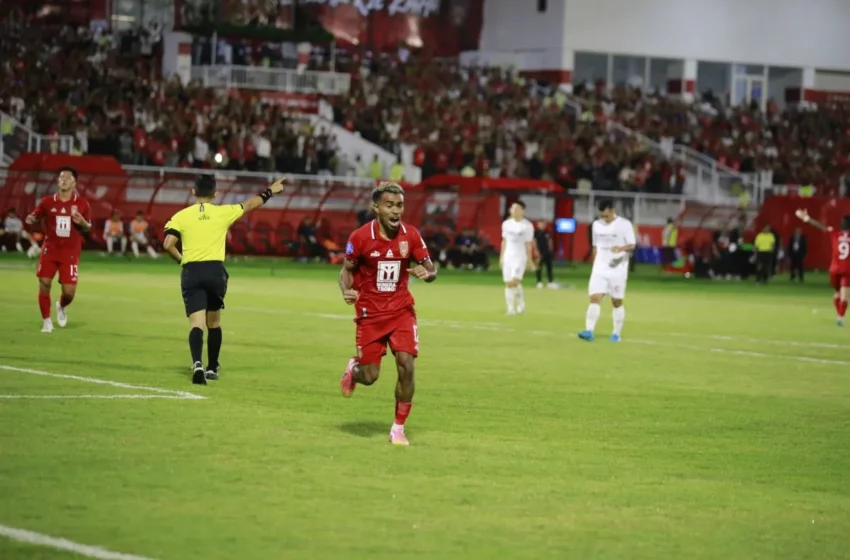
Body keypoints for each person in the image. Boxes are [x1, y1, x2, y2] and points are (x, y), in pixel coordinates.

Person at [338, 181, 437, 446]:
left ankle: (398, 428)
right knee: (370, 376)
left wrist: (427, 273)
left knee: (406, 365)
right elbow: (347, 270)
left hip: (402, 311)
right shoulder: (360, 237)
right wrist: (346, 291)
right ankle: (354, 368)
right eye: (389, 205)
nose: (396, 211)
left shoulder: (411, 235)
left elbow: (431, 267)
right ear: (376, 207)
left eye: (400, 205)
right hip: (370, 314)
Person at [162, 174, 286, 385]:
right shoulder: (222, 212)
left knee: (197, 324)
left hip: (192, 271)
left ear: (193, 192)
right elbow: (249, 205)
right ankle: (212, 368)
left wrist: (182, 260)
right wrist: (270, 191)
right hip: (214, 271)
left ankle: (197, 364)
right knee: (214, 322)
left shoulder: (181, 216)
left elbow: (167, 244)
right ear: (215, 193)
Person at [25, 167, 92, 333]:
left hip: (70, 252)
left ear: (74, 183)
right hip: (50, 249)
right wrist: (32, 217)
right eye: (61, 177)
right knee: (44, 283)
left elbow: (88, 227)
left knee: (69, 292)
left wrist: (83, 222)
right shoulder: (47, 201)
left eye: (67, 178)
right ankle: (47, 321)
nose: (63, 180)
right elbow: (37, 214)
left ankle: (61, 306)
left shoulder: (82, 204)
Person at [578, 199, 635, 342]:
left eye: (606, 216)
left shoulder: (624, 224)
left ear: (612, 210)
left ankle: (616, 334)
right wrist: (595, 264)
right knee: (595, 298)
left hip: (618, 269)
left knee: (616, 301)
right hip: (600, 269)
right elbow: (595, 246)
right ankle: (589, 331)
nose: (604, 218)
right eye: (602, 216)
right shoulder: (596, 225)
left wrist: (620, 248)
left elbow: (632, 244)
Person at [795, 209, 850, 325]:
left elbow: (821, 226)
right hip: (847, 269)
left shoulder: (834, 233)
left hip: (834, 269)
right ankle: (840, 317)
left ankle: (839, 316)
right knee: (844, 296)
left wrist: (806, 218)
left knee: (837, 292)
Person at [500, 201, 535, 315]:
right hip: (508, 257)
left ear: (522, 211)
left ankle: (518, 305)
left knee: (514, 282)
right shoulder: (506, 224)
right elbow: (504, 241)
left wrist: (530, 260)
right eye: (512, 208)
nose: (513, 210)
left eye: (517, 208)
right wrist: (501, 257)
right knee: (508, 283)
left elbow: (528, 244)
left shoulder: (527, 226)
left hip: (520, 257)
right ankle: (511, 308)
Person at [533, 221, 556, 289]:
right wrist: (536, 251)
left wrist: (551, 250)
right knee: (538, 267)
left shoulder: (547, 233)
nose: (542, 226)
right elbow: (534, 242)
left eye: (543, 224)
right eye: (540, 224)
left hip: (547, 253)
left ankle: (550, 282)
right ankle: (539, 282)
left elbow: (550, 242)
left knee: (549, 267)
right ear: (538, 225)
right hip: (539, 252)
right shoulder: (536, 233)